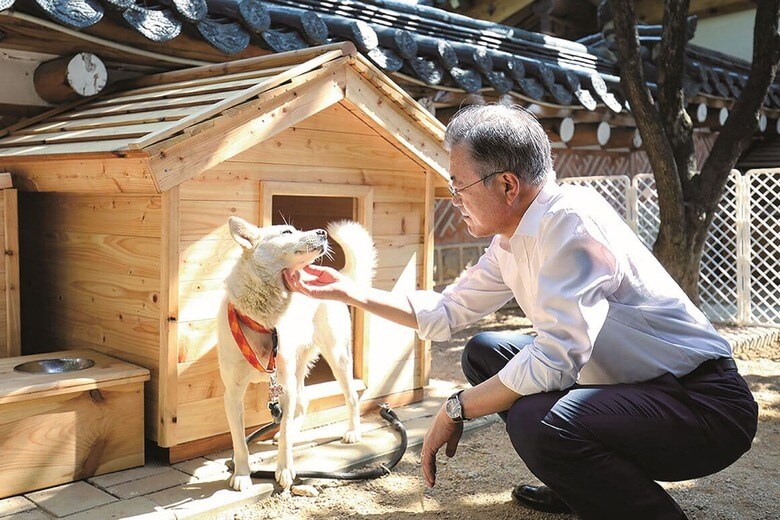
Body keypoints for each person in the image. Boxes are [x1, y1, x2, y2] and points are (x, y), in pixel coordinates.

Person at [282, 103, 758, 519]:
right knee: (488, 351)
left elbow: (555, 358)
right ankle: (585, 487)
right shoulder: (512, 237)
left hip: (702, 406)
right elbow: (446, 311)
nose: (455, 200)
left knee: (540, 420)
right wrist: (347, 291)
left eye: (458, 185)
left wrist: (456, 407)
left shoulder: (570, 224)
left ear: (507, 184)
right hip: (631, 384)